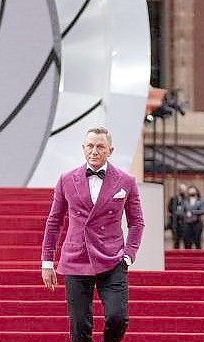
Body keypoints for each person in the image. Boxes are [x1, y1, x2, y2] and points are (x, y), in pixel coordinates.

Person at [41, 127, 145, 342]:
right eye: (90, 146)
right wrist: (47, 262)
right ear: (83, 148)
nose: (94, 151)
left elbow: (136, 222)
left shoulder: (126, 181)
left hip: (113, 259)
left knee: (118, 318)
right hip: (76, 258)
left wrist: (129, 253)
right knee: (80, 326)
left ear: (110, 150)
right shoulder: (66, 180)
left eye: (100, 147)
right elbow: (54, 222)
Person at [167, 184, 187, 249]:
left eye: (184, 190)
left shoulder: (187, 199)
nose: (182, 191)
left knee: (186, 240)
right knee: (176, 240)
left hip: (184, 222)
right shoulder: (173, 199)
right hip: (175, 222)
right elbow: (169, 208)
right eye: (181, 190)